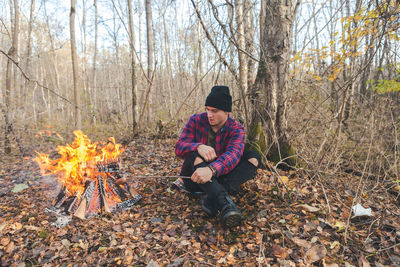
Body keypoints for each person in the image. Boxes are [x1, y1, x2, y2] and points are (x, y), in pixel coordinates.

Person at [174, 85, 261, 228]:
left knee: (253, 157)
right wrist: (198, 146)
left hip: (218, 176)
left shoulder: (236, 129)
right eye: (207, 109)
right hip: (194, 177)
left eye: (214, 111)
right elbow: (179, 147)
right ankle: (225, 204)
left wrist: (211, 170)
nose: (209, 114)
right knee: (194, 154)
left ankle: (213, 196)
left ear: (227, 111)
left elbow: (233, 155)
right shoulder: (196, 120)